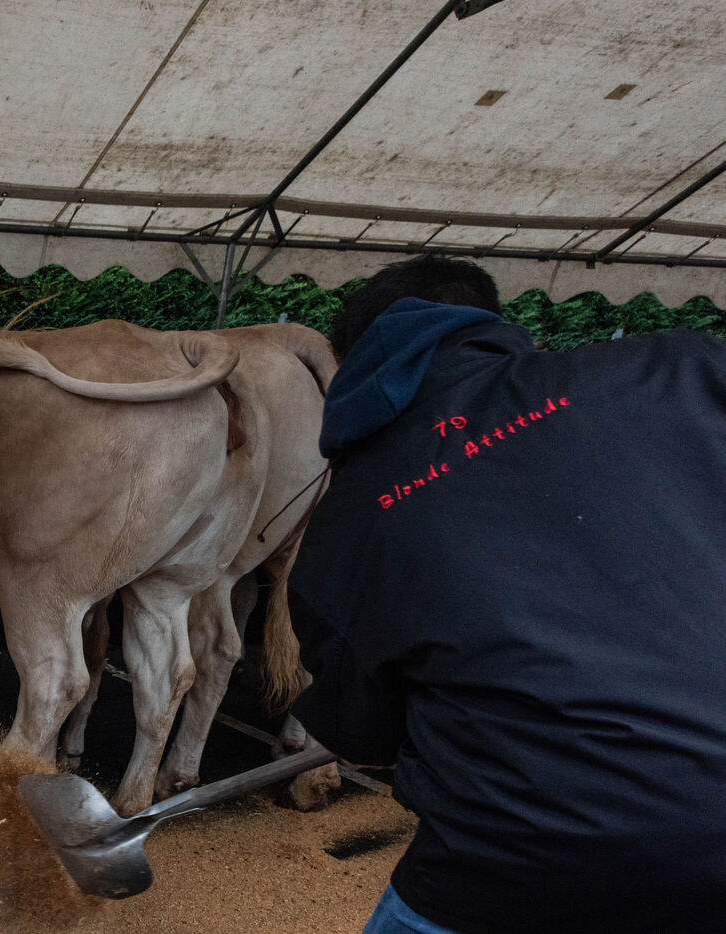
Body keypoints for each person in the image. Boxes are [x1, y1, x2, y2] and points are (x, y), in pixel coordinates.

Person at [285, 255, 726, 934]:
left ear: (361, 363)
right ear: (489, 320)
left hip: (517, 862)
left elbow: (362, 734)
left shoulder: (352, 517)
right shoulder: (679, 368)